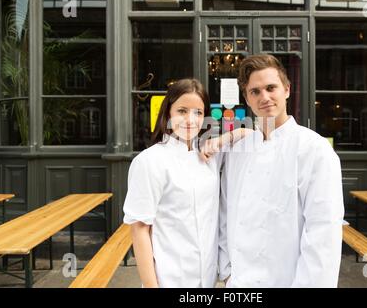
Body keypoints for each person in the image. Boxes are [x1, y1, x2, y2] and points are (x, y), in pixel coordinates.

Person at [219, 54, 345, 288]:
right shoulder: (238, 152)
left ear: (287, 89)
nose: (264, 97)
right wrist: (227, 273)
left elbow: (323, 234)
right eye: (255, 91)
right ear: (247, 98)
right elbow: (226, 214)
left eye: (271, 88)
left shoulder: (314, 150)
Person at [123, 79, 251, 288]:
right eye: (182, 111)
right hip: (169, 278)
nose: (190, 120)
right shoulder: (150, 161)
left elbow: (252, 133)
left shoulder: (209, 154)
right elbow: (139, 230)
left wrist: (219, 140)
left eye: (198, 112)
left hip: (206, 278)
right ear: (168, 113)